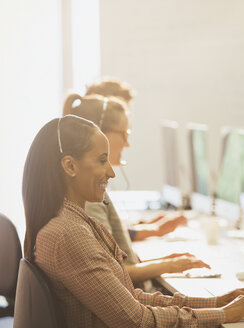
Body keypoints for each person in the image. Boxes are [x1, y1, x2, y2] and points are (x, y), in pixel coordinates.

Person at [23, 115, 244, 327]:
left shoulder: (73, 221)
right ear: (69, 165)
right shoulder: (69, 233)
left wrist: (218, 301)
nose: (111, 172)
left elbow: (130, 299)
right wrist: (223, 315)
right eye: (102, 160)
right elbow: (136, 320)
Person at [62, 94, 207, 285]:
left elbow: (112, 266)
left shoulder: (91, 192)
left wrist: (165, 260)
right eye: (125, 134)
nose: (128, 143)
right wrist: (170, 265)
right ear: (100, 132)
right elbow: (114, 274)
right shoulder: (88, 197)